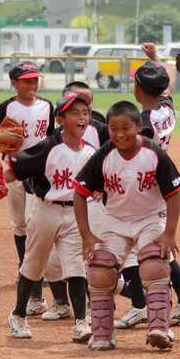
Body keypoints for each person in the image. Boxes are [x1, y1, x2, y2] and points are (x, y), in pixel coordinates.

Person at [73, 100, 180, 351]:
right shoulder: (105, 153)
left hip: (150, 217)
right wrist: (86, 235)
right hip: (116, 220)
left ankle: (160, 328)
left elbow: (174, 193)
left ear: (139, 126)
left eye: (126, 127)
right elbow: (80, 191)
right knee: (100, 270)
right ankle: (102, 333)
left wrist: (169, 232)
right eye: (113, 128)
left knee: (155, 266)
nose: (119, 134)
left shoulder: (154, 152)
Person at [114, 43, 180, 331]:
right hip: (155, 181)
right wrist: (155, 60)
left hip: (141, 185)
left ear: (137, 91)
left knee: (129, 246)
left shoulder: (141, 124)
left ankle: (143, 305)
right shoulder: (165, 110)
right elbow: (165, 93)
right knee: (156, 246)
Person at [5, 92, 96, 343]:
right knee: (33, 264)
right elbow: (12, 169)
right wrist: (0, 177)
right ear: (61, 119)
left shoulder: (90, 152)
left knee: (76, 267)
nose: (82, 117)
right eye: (74, 113)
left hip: (76, 213)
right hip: (46, 210)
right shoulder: (48, 147)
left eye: (85, 112)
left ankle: (80, 322)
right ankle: (18, 315)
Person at [0, 60, 54, 316]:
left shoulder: (47, 106)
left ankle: (36, 273)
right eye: (26, 81)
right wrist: (2, 138)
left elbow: (51, 137)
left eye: (35, 80)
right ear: (14, 83)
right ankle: (24, 266)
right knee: (19, 224)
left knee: (34, 222)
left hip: (37, 171)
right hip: (11, 170)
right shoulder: (7, 106)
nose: (32, 85)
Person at [41, 81, 112, 322]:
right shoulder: (54, 136)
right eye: (74, 107)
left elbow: (110, 160)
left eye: (86, 105)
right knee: (50, 260)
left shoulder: (101, 129)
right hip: (56, 204)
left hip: (90, 201)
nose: (82, 112)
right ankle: (61, 302)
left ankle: (94, 307)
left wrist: (103, 189)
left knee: (85, 257)